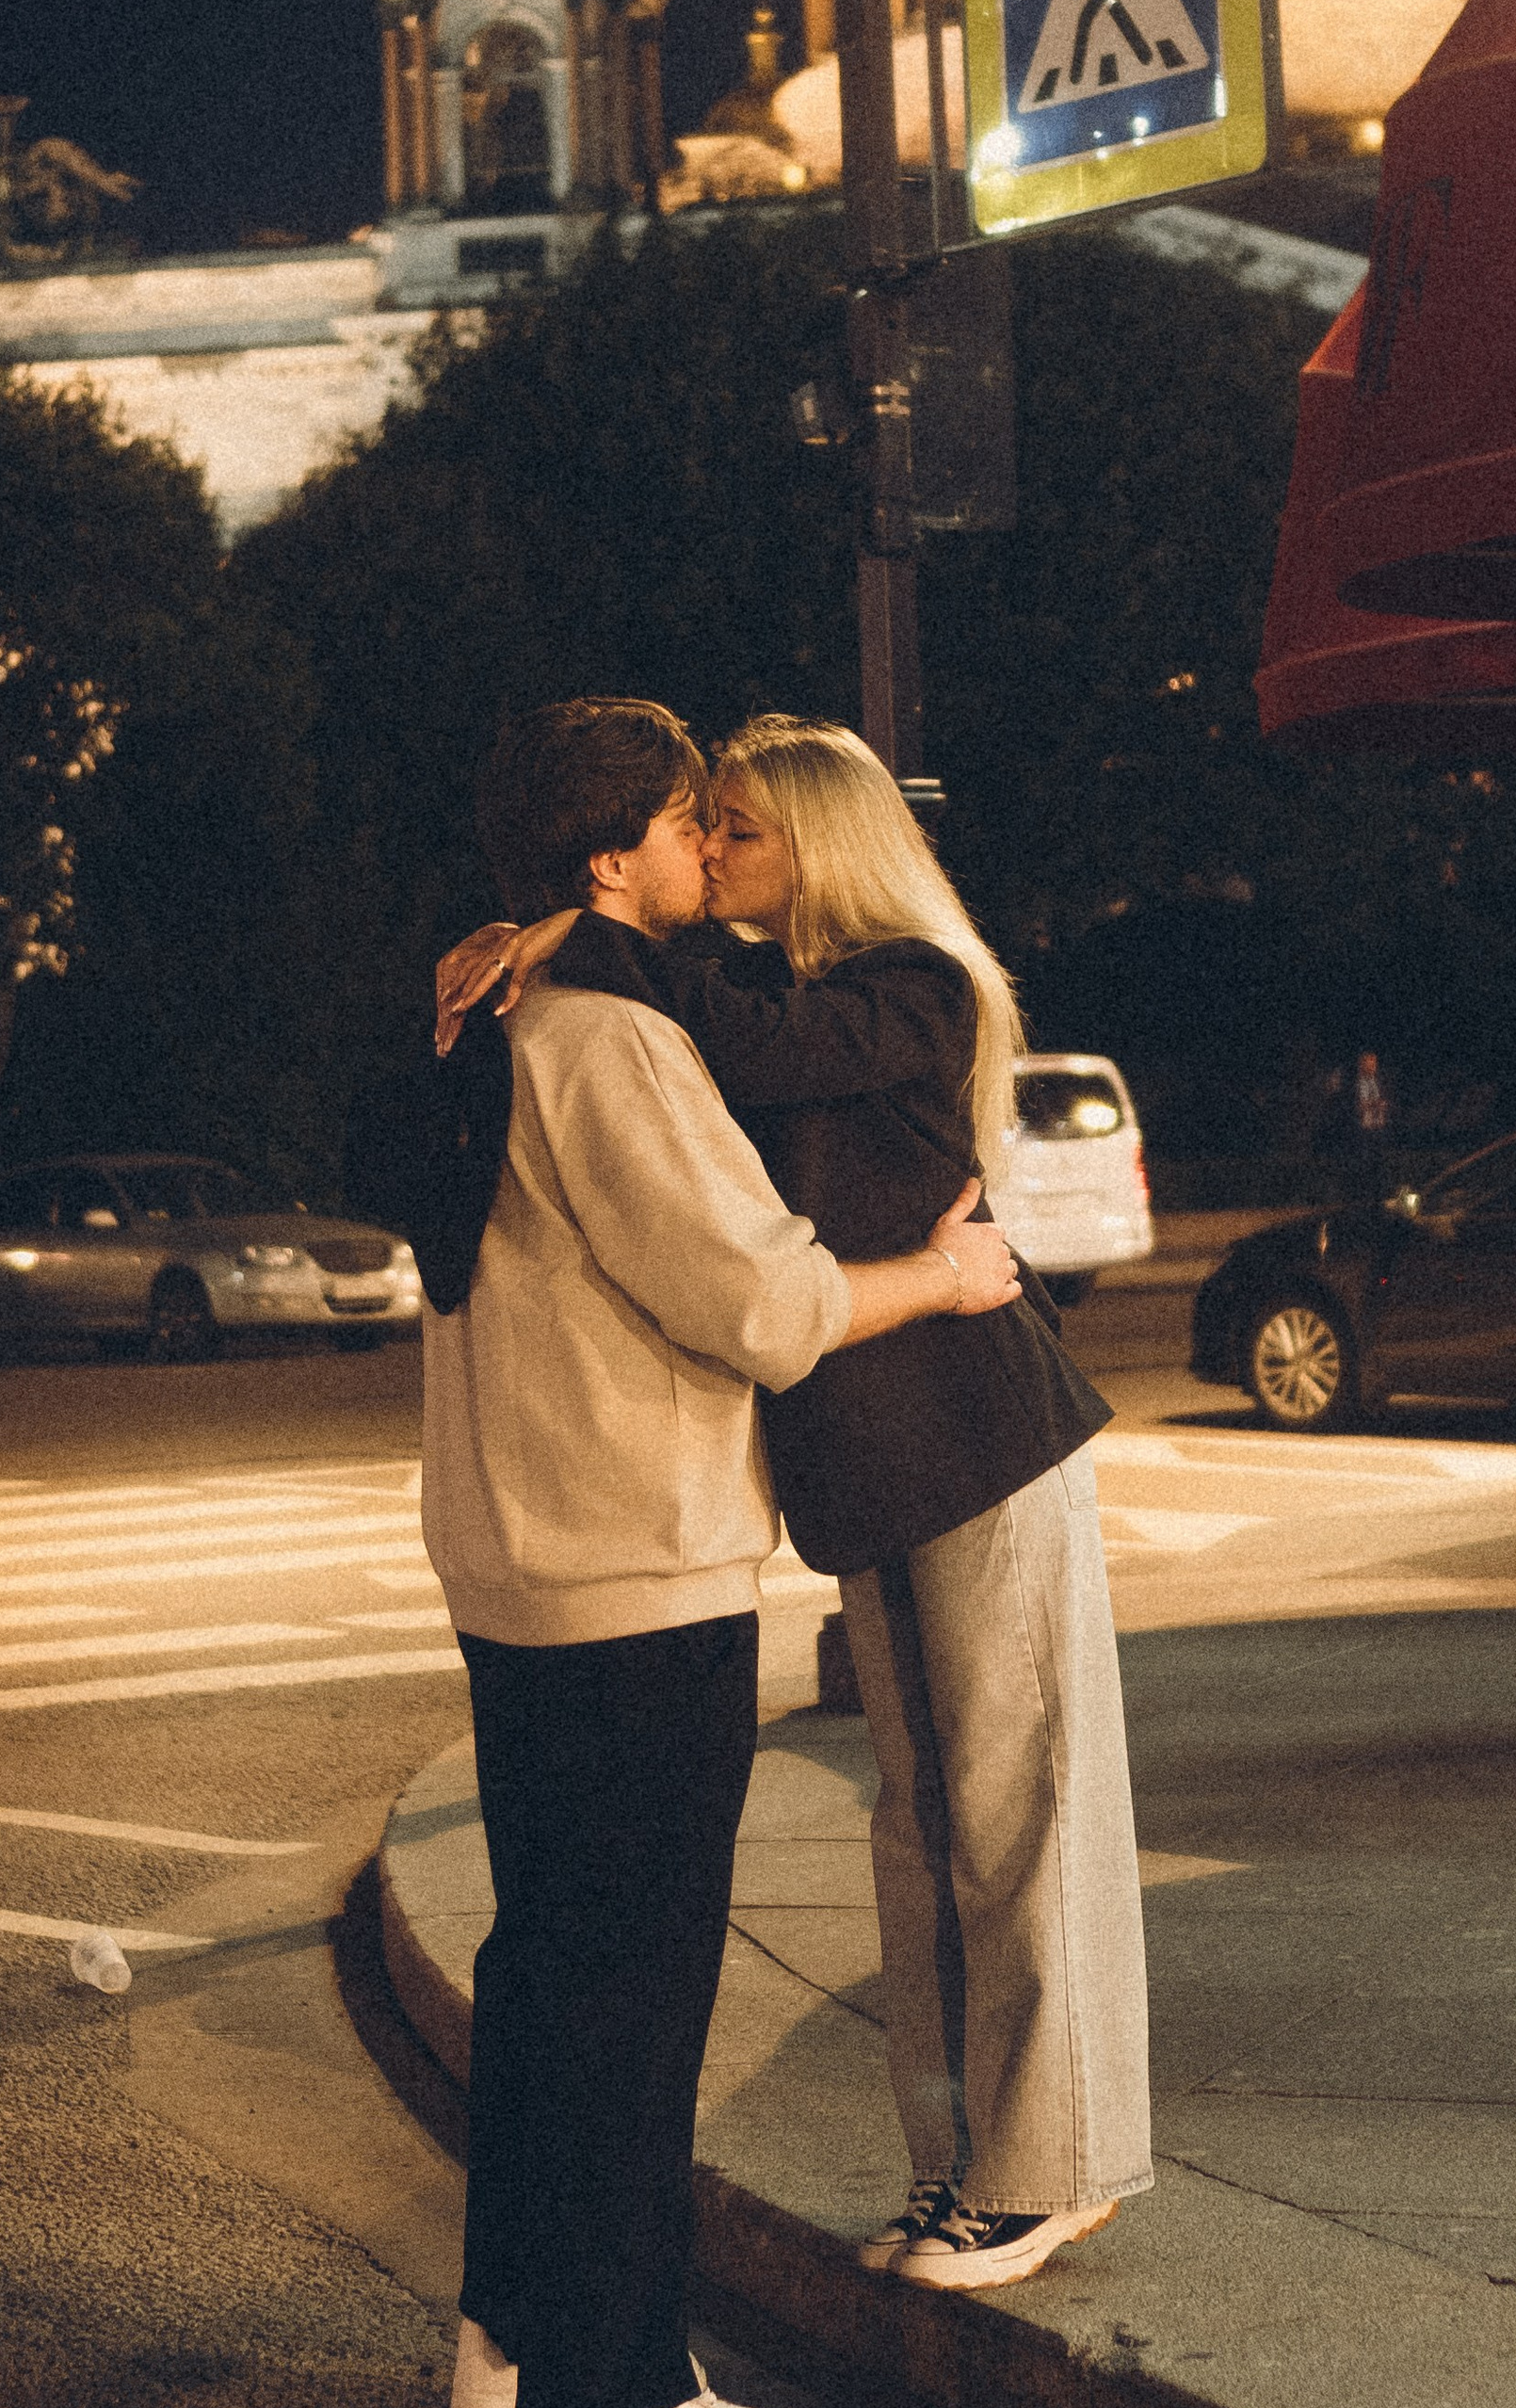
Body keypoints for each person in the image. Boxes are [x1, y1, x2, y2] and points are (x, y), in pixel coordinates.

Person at [439, 714, 1152, 2298]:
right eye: (700, 827)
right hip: (866, 1469)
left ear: (818, 844)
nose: (713, 850)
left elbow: (752, 1061)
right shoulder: (733, 994)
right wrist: (563, 945)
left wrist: (578, 927)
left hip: (984, 1439)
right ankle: (962, 2168)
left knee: (1018, 1816)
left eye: (738, 829)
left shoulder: (914, 981)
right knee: (925, 1830)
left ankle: (1057, 2170)